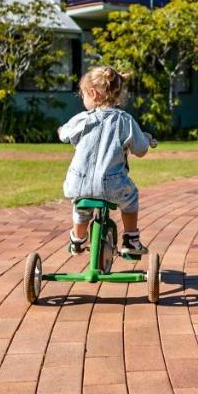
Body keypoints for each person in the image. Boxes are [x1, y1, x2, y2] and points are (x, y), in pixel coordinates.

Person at [58, 66, 155, 256]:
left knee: (82, 205)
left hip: (78, 183)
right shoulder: (125, 121)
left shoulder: (81, 119)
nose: (83, 99)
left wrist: (62, 129)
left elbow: (64, 135)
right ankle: (131, 240)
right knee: (131, 197)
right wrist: (146, 138)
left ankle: (77, 240)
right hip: (113, 185)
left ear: (93, 93)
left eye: (83, 95)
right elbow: (141, 149)